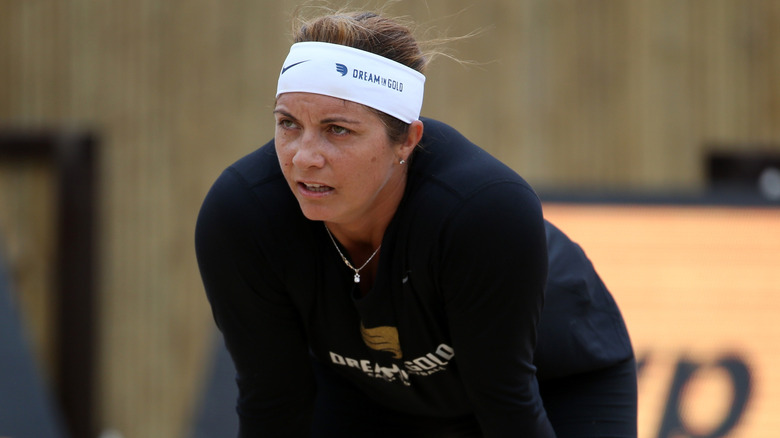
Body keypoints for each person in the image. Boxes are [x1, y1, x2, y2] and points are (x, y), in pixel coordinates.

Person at [195, 10, 636, 438]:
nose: (303, 156)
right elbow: (273, 403)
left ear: (407, 139)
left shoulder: (482, 211)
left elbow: (508, 407)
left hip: (553, 381)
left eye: (338, 130)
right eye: (288, 124)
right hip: (370, 396)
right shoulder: (243, 214)